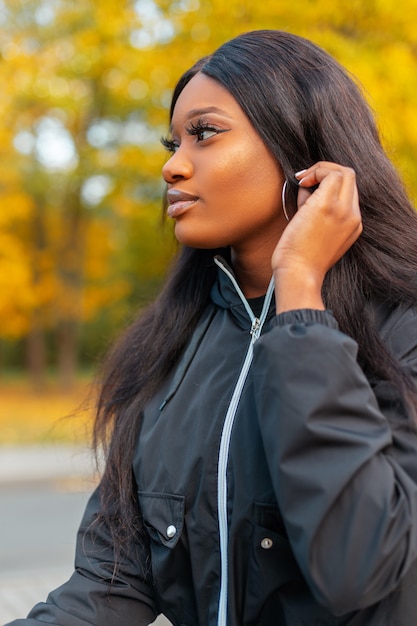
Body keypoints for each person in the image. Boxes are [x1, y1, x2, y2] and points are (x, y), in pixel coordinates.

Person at [6, 28, 417, 626]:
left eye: (204, 134)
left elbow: (360, 566)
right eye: (172, 143)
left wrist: (300, 290)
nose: (173, 167)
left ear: (301, 151)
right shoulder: (165, 349)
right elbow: (109, 586)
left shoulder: (402, 328)